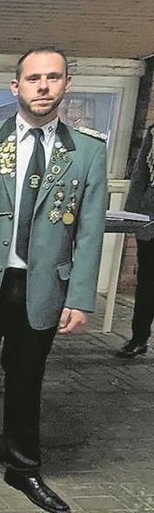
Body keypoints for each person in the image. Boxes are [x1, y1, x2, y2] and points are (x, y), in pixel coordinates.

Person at [0, 47, 107, 513]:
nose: (43, 87)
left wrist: (82, 296)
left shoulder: (88, 150)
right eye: (34, 78)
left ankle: (25, 468)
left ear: (66, 84)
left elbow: (90, 230)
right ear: (16, 86)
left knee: (27, 380)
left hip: (43, 286)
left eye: (53, 78)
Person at [118, 123, 154, 358]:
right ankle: (139, 337)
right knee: (147, 283)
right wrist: (131, 216)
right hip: (150, 219)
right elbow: (140, 173)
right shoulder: (153, 132)